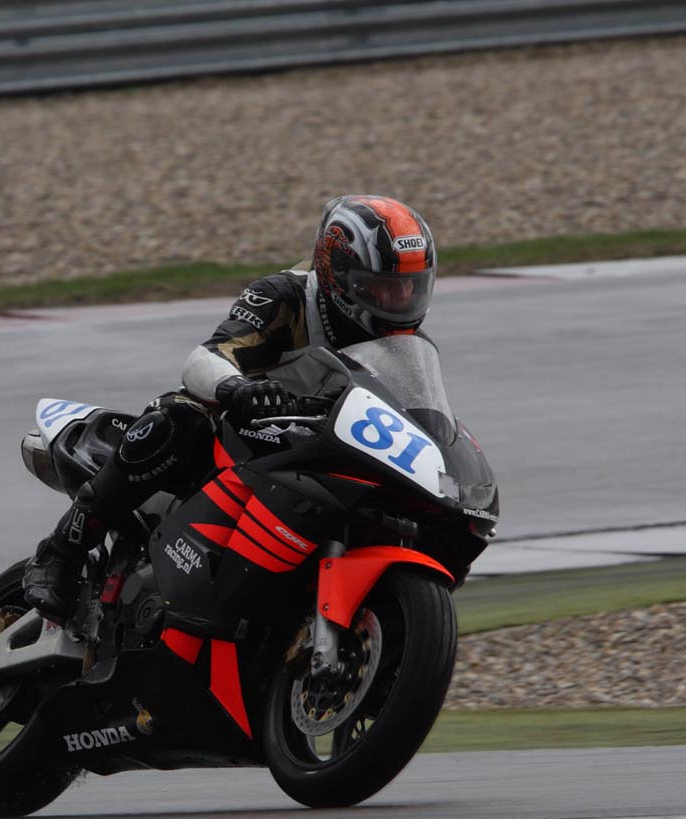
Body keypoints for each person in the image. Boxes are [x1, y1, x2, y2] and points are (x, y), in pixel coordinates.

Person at [22, 194, 438, 621]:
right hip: (242, 432)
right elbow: (205, 358)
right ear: (340, 275)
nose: (400, 298)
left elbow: (413, 421)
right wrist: (237, 387)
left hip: (316, 454)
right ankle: (61, 551)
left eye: (411, 287)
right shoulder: (284, 296)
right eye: (384, 287)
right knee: (181, 419)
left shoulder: (406, 349)